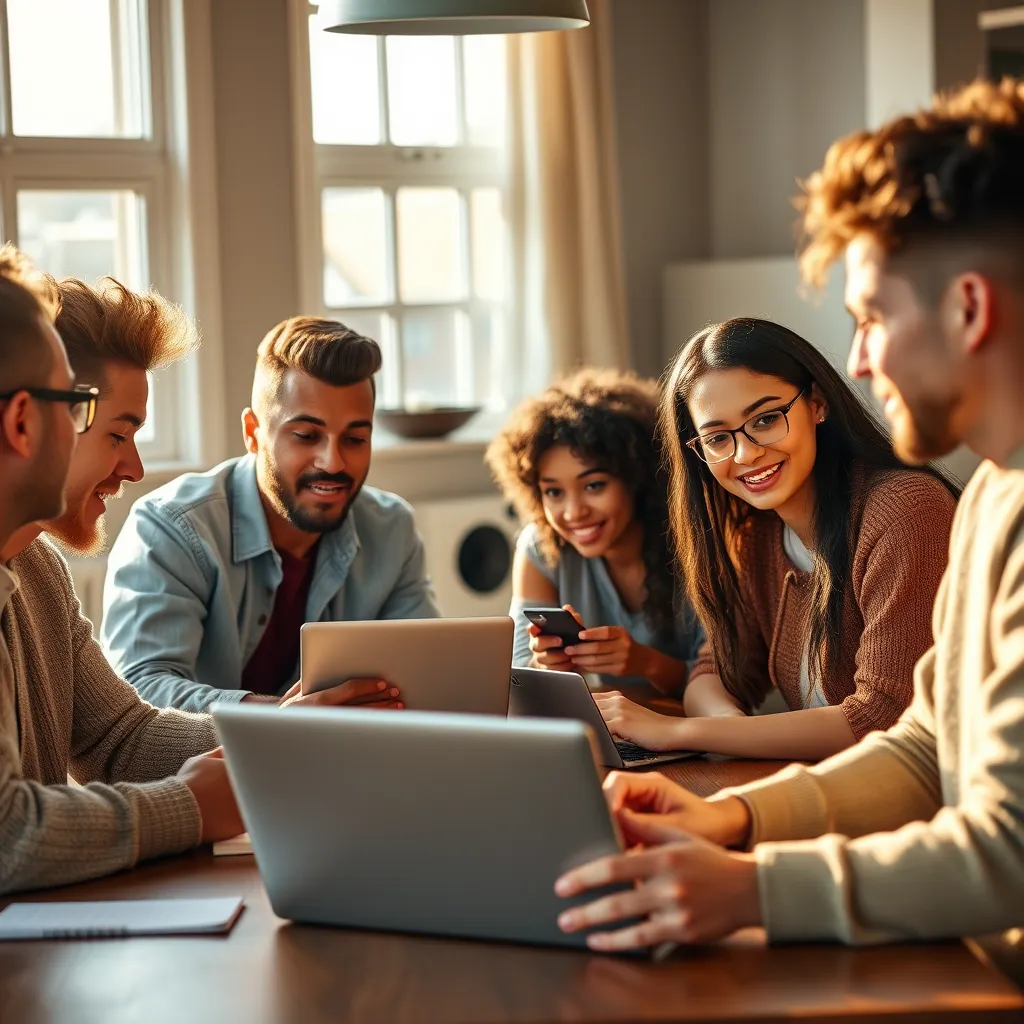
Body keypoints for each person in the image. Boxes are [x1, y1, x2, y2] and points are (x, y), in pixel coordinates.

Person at [554, 78, 1024, 980]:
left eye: (873, 319)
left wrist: (751, 888)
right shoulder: (996, 494)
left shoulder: (941, 507)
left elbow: (1008, 851)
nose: (857, 360)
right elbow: (927, 744)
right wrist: (731, 819)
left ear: (968, 307)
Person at [595, 318, 958, 761]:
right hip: (828, 791)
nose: (745, 454)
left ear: (817, 403)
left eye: (766, 419)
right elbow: (715, 672)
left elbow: (883, 720)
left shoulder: (905, 509)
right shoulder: (757, 535)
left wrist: (680, 732)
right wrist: (724, 729)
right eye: (718, 438)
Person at [0, 245, 242, 894]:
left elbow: (117, 734)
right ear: (23, 420)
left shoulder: (36, 568)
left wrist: (282, 737)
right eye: (103, 426)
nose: (134, 469)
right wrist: (191, 807)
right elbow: (7, 836)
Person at [102, 316, 437, 712]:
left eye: (355, 438)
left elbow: (425, 676)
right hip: (197, 773)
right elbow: (140, 690)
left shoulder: (392, 529)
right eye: (306, 436)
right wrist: (279, 719)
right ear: (253, 432)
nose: (333, 462)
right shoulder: (170, 528)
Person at [485, 368, 703, 696]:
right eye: (554, 492)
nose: (573, 513)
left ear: (637, 477)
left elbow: (733, 684)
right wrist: (547, 666)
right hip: (614, 732)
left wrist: (647, 663)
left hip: (692, 731)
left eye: (594, 485)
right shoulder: (541, 547)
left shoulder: (697, 543)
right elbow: (517, 679)